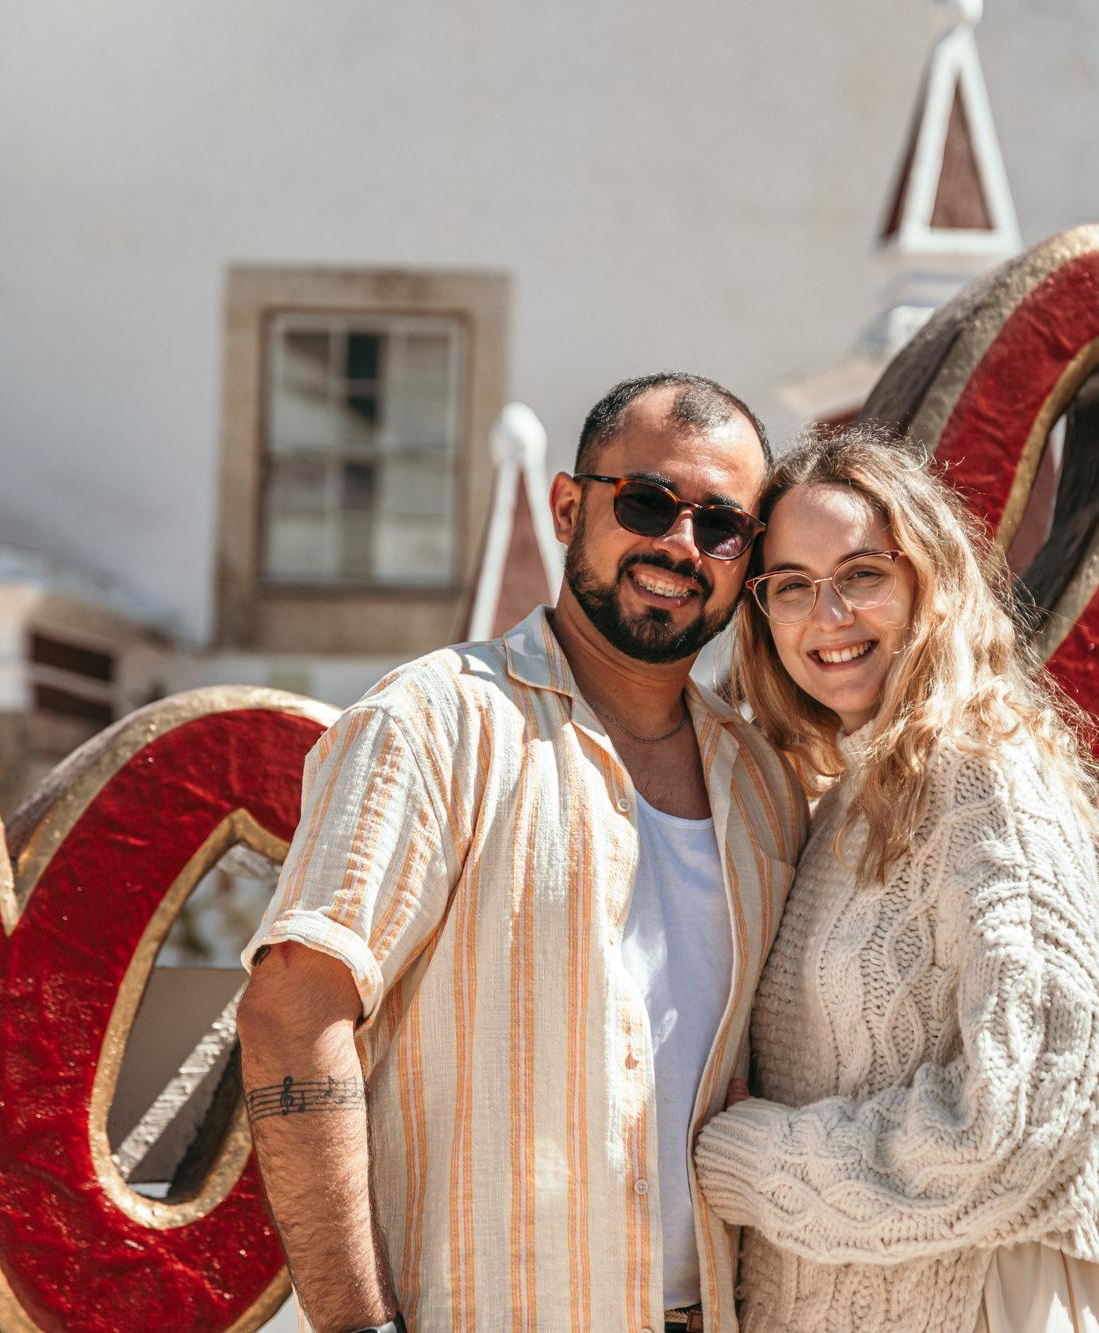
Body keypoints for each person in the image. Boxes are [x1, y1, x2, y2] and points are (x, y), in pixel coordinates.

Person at [236, 372, 807, 1333]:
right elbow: (293, 1013)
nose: (679, 545)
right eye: (647, 503)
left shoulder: (762, 783)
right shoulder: (432, 724)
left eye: (720, 525)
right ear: (569, 506)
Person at [692, 425, 1099, 1333]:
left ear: (928, 580)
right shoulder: (846, 796)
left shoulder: (985, 776)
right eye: (791, 588)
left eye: (863, 574)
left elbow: (1027, 1116)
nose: (829, 616)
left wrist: (758, 1163)